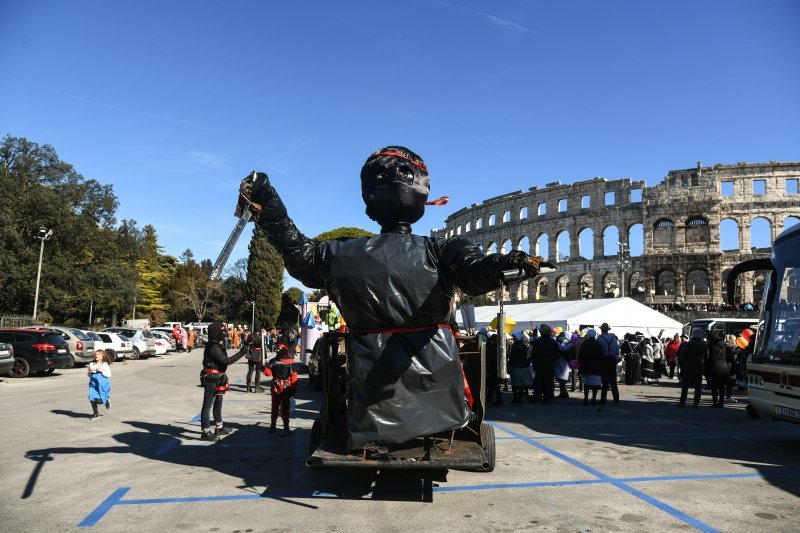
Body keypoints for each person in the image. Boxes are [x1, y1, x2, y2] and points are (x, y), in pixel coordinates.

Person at [247, 146, 552, 447]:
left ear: (369, 197)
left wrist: (268, 204)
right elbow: (475, 274)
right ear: (421, 194)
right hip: (436, 376)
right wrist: (509, 263)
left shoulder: (339, 252)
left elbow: (297, 251)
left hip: (369, 378)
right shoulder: (442, 249)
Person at [199, 321, 246, 441]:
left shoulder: (217, 344)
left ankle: (219, 427)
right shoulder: (213, 346)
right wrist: (242, 352)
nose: (224, 334)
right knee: (208, 404)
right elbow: (226, 361)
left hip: (218, 377)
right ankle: (205, 431)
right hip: (211, 377)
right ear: (216, 333)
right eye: (222, 332)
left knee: (218, 402)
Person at [263, 333, 299, 435]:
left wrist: (293, 389)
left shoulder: (290, 362)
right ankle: (273, 425)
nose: (278, 350)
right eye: (277, 348)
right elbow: (269, 373)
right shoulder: (274, 361)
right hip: (275, 387)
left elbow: (294, 377)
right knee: (274, 407)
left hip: (286, 388)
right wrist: (264, 368)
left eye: (279, 348)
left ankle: (286, 428)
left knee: (285, 408)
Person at [677, 327, 708, 408]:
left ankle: (682, 402)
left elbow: (682, 357)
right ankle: (696, 402)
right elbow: (707, 357)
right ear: (700, 335)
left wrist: (683, 366)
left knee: (685, 386)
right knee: (698, 386)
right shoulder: (704, 345)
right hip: (699, 367)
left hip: (688, 367)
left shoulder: (687, 344)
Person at [531, 324, 560, 404]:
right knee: (549, 381)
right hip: (550, 365)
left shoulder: (538, 342)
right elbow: (557, 354)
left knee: (539, 381)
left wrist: (534, 364)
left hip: (540, 365)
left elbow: (534, 354)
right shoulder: (553, 342)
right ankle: (548, 397)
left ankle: (537, 396)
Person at [578, 329, 604, 405]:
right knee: (595, 385)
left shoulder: (584, 344)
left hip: (586, 366)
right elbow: (601, 356)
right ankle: (593, 399)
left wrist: (580, 363)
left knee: (586, 384)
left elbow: (581, 355)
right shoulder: (598, 344)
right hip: (596, 367)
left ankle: (586, 399)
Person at [597, 323, 620, 404]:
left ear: (601, 329)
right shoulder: (614, 338)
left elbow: (598, 351)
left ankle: (603, 399)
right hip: (612, 359)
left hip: (604, 359)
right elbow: (617, 351)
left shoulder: (599, 338)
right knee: (613, 380)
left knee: (604, 380)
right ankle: (616, 398)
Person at [706, 329, 729, 408]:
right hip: (724, 365)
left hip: (714, 366)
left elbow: (709, 357)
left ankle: (715, 402)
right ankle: (721, 403)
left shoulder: (710, 345)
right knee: (721, 386)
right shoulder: (724, 344)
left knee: (714, 386)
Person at [508, 331, 533, 403]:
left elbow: (512, 357)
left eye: (514, 337)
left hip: (516, 367)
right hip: (523, 366)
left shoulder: (515, 346)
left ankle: (515, 397)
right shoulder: (524, 346)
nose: (514, 339)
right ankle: (520, 398)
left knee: (515, 384)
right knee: (521, 384)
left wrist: (510, 364)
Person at [88, 349, 112, 420]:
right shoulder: (91, 364)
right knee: (91, 398)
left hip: (103, 384)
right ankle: (96, 414)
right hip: (93, 384)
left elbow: (109, 375)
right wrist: (90, 372)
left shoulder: (105, 364)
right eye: (96, 354)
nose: (96, 355)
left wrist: (102, 371)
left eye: (99, 354)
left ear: (102, 356)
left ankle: (107, 400)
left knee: (100, 401)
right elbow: (88, 374)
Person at [246, 325, 266, 393]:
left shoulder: (250, 336)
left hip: (251, 354)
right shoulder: (261, 337)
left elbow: (246, 343)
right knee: (258, 372)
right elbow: (263, 348)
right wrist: (265, 357)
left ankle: (248, 388)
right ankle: (257, 388)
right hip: (258, 355)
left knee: (250, 371)